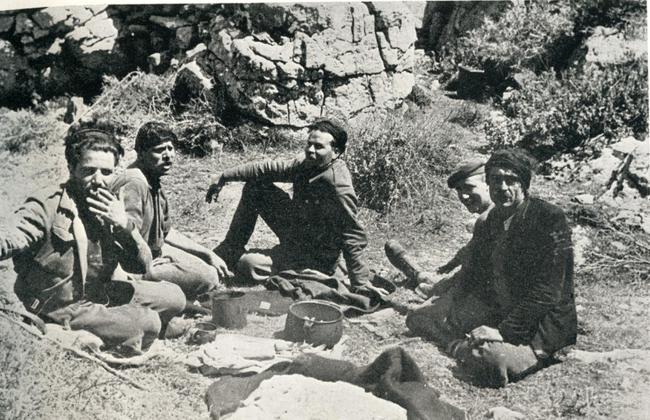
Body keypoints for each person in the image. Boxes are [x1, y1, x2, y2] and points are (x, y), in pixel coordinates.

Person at [0, 128, 185, 354]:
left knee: (174, 297)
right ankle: (56, 329)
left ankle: (115, 326)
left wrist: (124, 225)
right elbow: (13, 236)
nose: (98, 180)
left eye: (106, 172)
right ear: (71, 169)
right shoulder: (46, 205)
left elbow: (140, 266)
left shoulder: (109, 205)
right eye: (89, 171)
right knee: (148, 322)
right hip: (60, 304)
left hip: (98, 291)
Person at [406, 148, 576, 386]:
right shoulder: (492, 220)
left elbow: (548, 292)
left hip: (541, 325)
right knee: (419, 318)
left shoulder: (548, 218)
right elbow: (475, 274)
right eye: (496, 180)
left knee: (490, 359)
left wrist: (502, 332)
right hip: (501, 310)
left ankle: (466, 347)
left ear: (524, 184)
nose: (503, 187)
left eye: (511, 180)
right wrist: (448, 304)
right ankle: (464, 342)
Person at [205, 117, 387, 298]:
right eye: (309, 144)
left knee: (248, 264)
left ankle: (306, 271)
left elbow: (352, 233)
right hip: (297, 232)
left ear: (337, 151)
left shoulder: (337, 185)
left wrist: (360, 282)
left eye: (319, 147)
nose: (310, 150)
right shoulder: (307, 164)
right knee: (255, 186)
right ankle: (228, 250)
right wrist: (224, 176)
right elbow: (267, 168)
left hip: (316, 256)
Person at [111, 122, 231, 304]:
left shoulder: (153, 178)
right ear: (141, 153)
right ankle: (144, 288)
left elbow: (166, 232)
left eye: (170, 148)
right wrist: (148, 265)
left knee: (207, 268)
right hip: (133, 265)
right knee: (208, 277)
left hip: (154, 252)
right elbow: (123, 237)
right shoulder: (135, 183)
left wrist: (208, 253)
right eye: (159, 150)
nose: (168, 156)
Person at [385, 158, 493, 297]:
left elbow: (474, 269)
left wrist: (441, 286)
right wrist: (449, 265)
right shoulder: (490, 215)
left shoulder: (492, 218)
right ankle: (419, 275)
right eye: (459, 189)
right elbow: (472, 248)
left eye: (469, 187)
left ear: (488, 184)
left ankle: (417, 275)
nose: (463, 196)